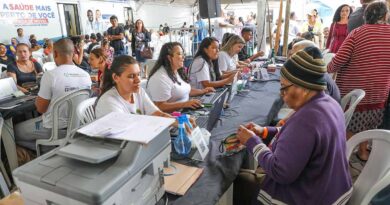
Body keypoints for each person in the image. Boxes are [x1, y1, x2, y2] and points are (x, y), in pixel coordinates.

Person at [234, 46, 352, 205]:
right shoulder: (329, 103)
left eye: (284, 87)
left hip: (314, 197)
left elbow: (279, 171)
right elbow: (302, 140)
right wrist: (263, 131)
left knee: (240, 182)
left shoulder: (307, 119)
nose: (281, 93)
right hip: (333, 190)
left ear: (303, 87)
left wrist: (252, 142)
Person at [328, 1, 390, 161]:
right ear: (385, 16)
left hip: (354, 91)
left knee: (351, 124)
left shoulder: (358, 32)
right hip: (379, 92)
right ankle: (363, 152)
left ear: (365, 16)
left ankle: (343, 157)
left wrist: (328, 66)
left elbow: (338, 61)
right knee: (369, 123)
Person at [14, 38, 92, 151]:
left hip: (54, 128)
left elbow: (41, 109)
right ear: (73, 53)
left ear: (55, 53)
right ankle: (53, 147)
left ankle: (48, 150)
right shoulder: (85, 75)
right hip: (78, 126)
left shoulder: (50, 75)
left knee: (15, 132)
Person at [95, 55, 174, 120]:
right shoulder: (108, 102)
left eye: (138, 74)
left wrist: (177, 122)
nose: (138, 80)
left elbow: (156, 113)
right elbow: (129, 129)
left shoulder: (139, 92)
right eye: (131, 76)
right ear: (116, 77)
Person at [146, 42, 214, 112]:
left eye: (183, 54)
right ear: (169, 58)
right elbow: (160, 106)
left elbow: (185, 91)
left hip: (183, 112)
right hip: (171, 118)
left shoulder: (177, 71)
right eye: (179, 54)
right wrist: (185, 104)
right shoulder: (160, 78)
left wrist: (203, 91)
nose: (183, 57)